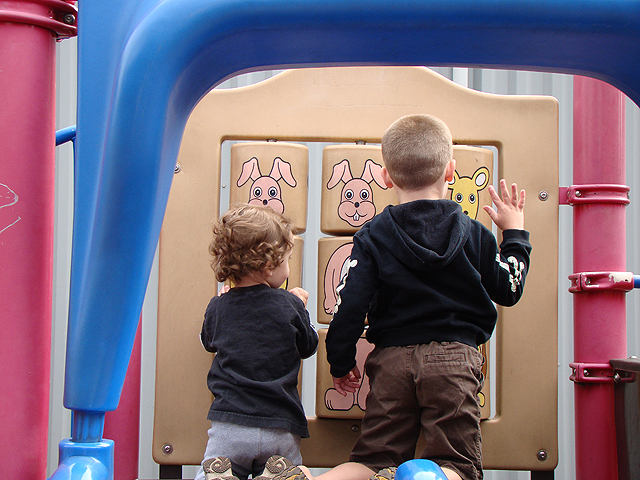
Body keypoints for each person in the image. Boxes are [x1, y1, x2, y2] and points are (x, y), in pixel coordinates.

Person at [274, 114, 531, 480]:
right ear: (450, 171)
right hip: (453, 361)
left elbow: (350, 306)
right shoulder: (475, 234)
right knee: (457, 465)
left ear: (386, 177)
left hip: (392, 362)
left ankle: (314, 479)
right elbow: (509, 289)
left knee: (373, 461)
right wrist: (515, 234)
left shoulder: (371, 237)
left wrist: (341, 362)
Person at [195, 204, 319, 480]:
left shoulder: (219, 306)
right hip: (280, 427)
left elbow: (207, 341)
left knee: (216, 468)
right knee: (287, 472)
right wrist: (301, 309)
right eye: (286, 260)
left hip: (230, 426)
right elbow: (309, 346)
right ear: (268, 266)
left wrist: (220, 305)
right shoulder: (290, 305)